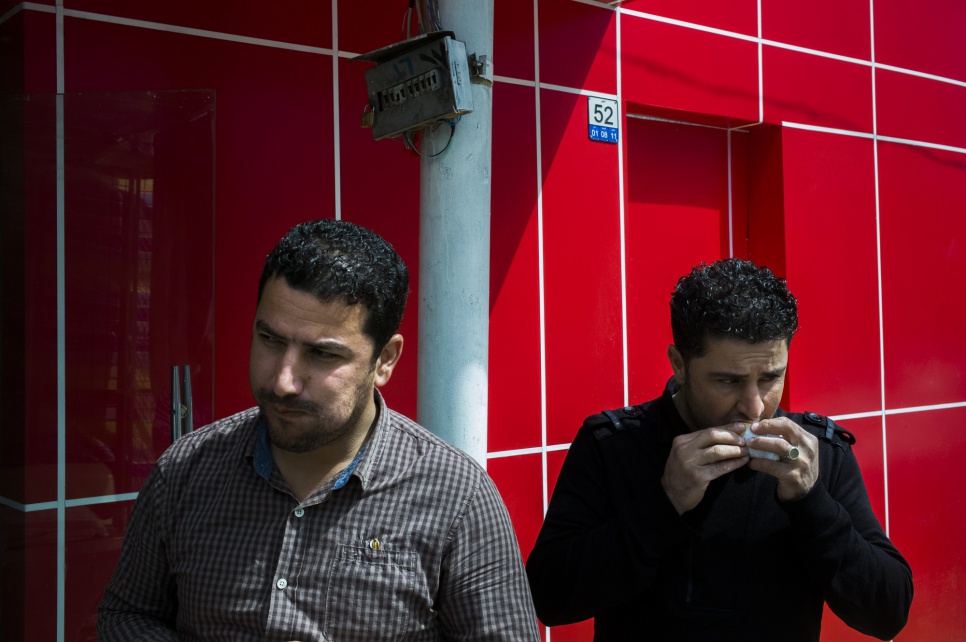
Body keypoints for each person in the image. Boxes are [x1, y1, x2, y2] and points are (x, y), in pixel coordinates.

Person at [98, 219, 540, 641]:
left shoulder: (456, 498)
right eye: (270, 340)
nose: (282, 381)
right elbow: (127, 614)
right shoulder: (185, 471)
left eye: (322, 355)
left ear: (385, 359)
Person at [525, 258, 913, 641]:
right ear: (679, 365)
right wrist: (664, 503)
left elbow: (888, 614)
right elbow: (548, 599)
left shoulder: (815, 454)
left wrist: (813, 503)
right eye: (728, 381)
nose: (755, 406)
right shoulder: (612, 446)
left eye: (771, 378)